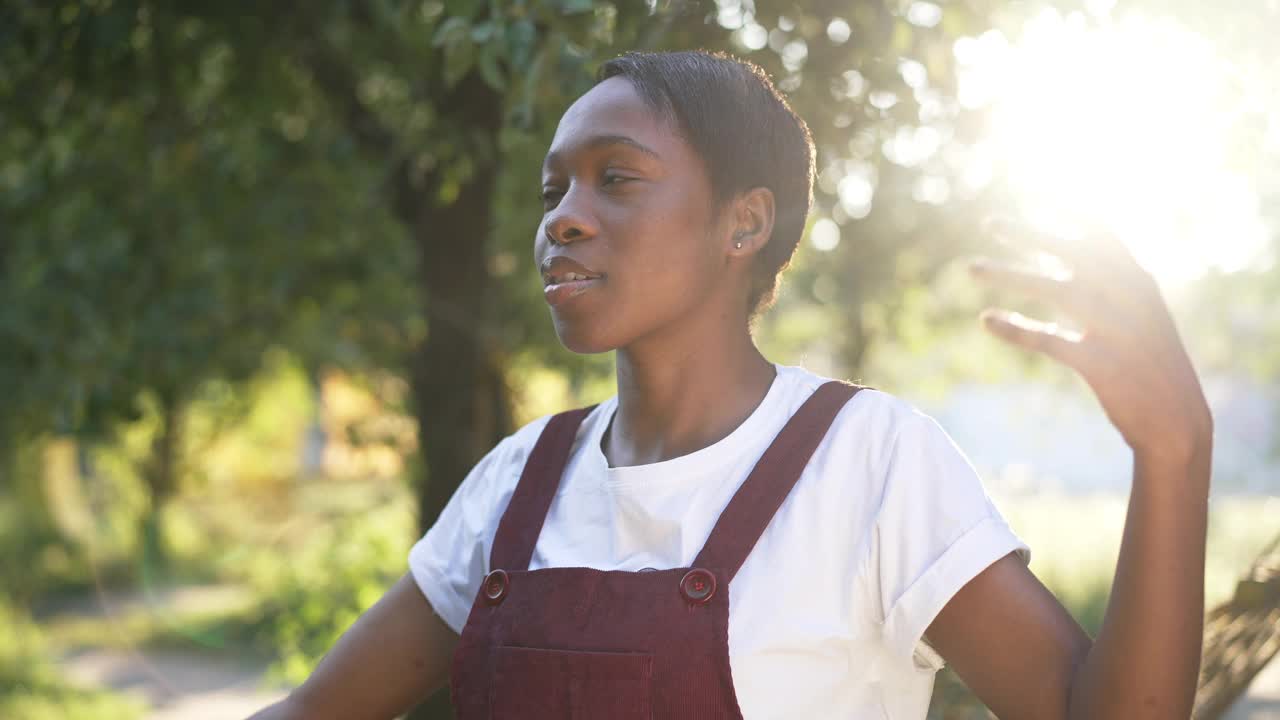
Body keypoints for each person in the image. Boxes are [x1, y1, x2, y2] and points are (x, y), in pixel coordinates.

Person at [249, 50, 1213, 719]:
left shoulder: (867, 463)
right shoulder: (518, 483)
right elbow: (313, 711)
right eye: (554, 190)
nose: (564, 220)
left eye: (615, 179)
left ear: (743, 224)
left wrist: (1174, 453)